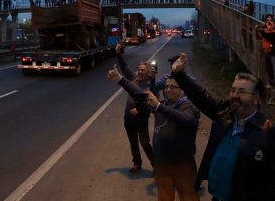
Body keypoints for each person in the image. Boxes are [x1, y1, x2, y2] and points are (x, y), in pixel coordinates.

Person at [171, 53, 275, 201]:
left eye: (242, 91)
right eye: (233, 90)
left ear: (256, 98)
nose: (234, 95)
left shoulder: (267, 132)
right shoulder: (224, 113)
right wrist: (179, 75)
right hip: (216, 197)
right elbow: (200, 96)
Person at [108, 66, 200, 201]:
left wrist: (158, 107)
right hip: (162, 164)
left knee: (188, 197)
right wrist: (120, 79)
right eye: (167, 86)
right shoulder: (160, 104)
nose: (169, 90)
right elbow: (139, 94)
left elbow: (185, 119)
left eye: (174, 87)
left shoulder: (189, 108)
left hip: (183, 165)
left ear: (183, 90)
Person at [113, 42, 156, 174]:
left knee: (144, 142)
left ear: (148, 72)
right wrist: (118, 54)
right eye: (139, 69)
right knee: (133, 142)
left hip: (141, 118)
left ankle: (156, 165)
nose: (140, 71)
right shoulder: (133, 78)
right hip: (129, 118)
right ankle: (137, 163)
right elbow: (125, 67)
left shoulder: (152, 85)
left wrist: (139, 110)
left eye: (143, 70)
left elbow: (152, 104)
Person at [256, 14, 275, 86]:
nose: (268, 25)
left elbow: (269, 36)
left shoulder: (271, 30)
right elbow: (259, 37)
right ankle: (270, 81)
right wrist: (260, 30)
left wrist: (261, 30)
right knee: (268, 66)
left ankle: (271, 82)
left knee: (270, 66)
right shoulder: (265, 28)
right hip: (266, 49)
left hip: (271, 50)